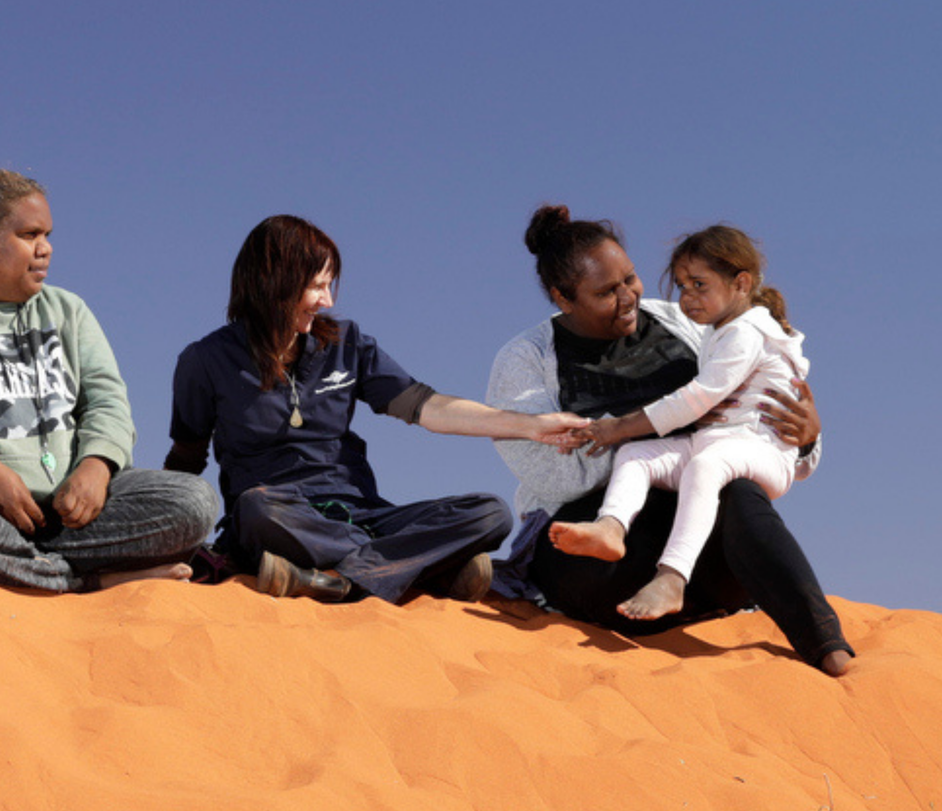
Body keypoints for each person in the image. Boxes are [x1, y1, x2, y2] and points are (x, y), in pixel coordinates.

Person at [488, 205, 852, 676]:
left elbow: (754, 430)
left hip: (697, 527)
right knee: (699, 472)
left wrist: (805, 438)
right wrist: (663, 426)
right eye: (606, 292)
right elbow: (555, 476)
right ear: (563, 298)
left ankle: (825, 642)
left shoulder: (687, 322)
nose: (627, 297)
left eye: (630, 279)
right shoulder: (526, 360)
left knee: (739, 490)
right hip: (599, 552)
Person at [165, 215, 586, 605]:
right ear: (272, 282)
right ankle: (416, 569)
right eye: (316, 286)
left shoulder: (346, 344)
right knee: (256, 510)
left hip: (363, 514)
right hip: (281, 517)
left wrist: (530, 426)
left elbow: (427, 407)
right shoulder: (205, 361)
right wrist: (165, 542)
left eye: (330, 285)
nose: (326, 300)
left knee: (490, 513)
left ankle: (336, 580)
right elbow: (186, 460)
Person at [0, 169, 217, 592]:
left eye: (46, 235)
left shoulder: (68, 310)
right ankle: (85, 581)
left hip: (71, 515)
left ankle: (32, 568)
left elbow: (107, 400)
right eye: (29, 235)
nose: (45, 249)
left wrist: (97, 465)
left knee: (193, 501)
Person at [550, 226, 813, 623]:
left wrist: (616, 427)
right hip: (717, 442)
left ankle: (672, 577)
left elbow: (696, 398)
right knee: (638, 455)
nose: (687, 297)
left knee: (704, 466)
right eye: (682, 286)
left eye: (699, 285)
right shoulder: (718, 329)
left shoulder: (747, 331)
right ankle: (611, 527)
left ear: (741, 284)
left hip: (762, 451)